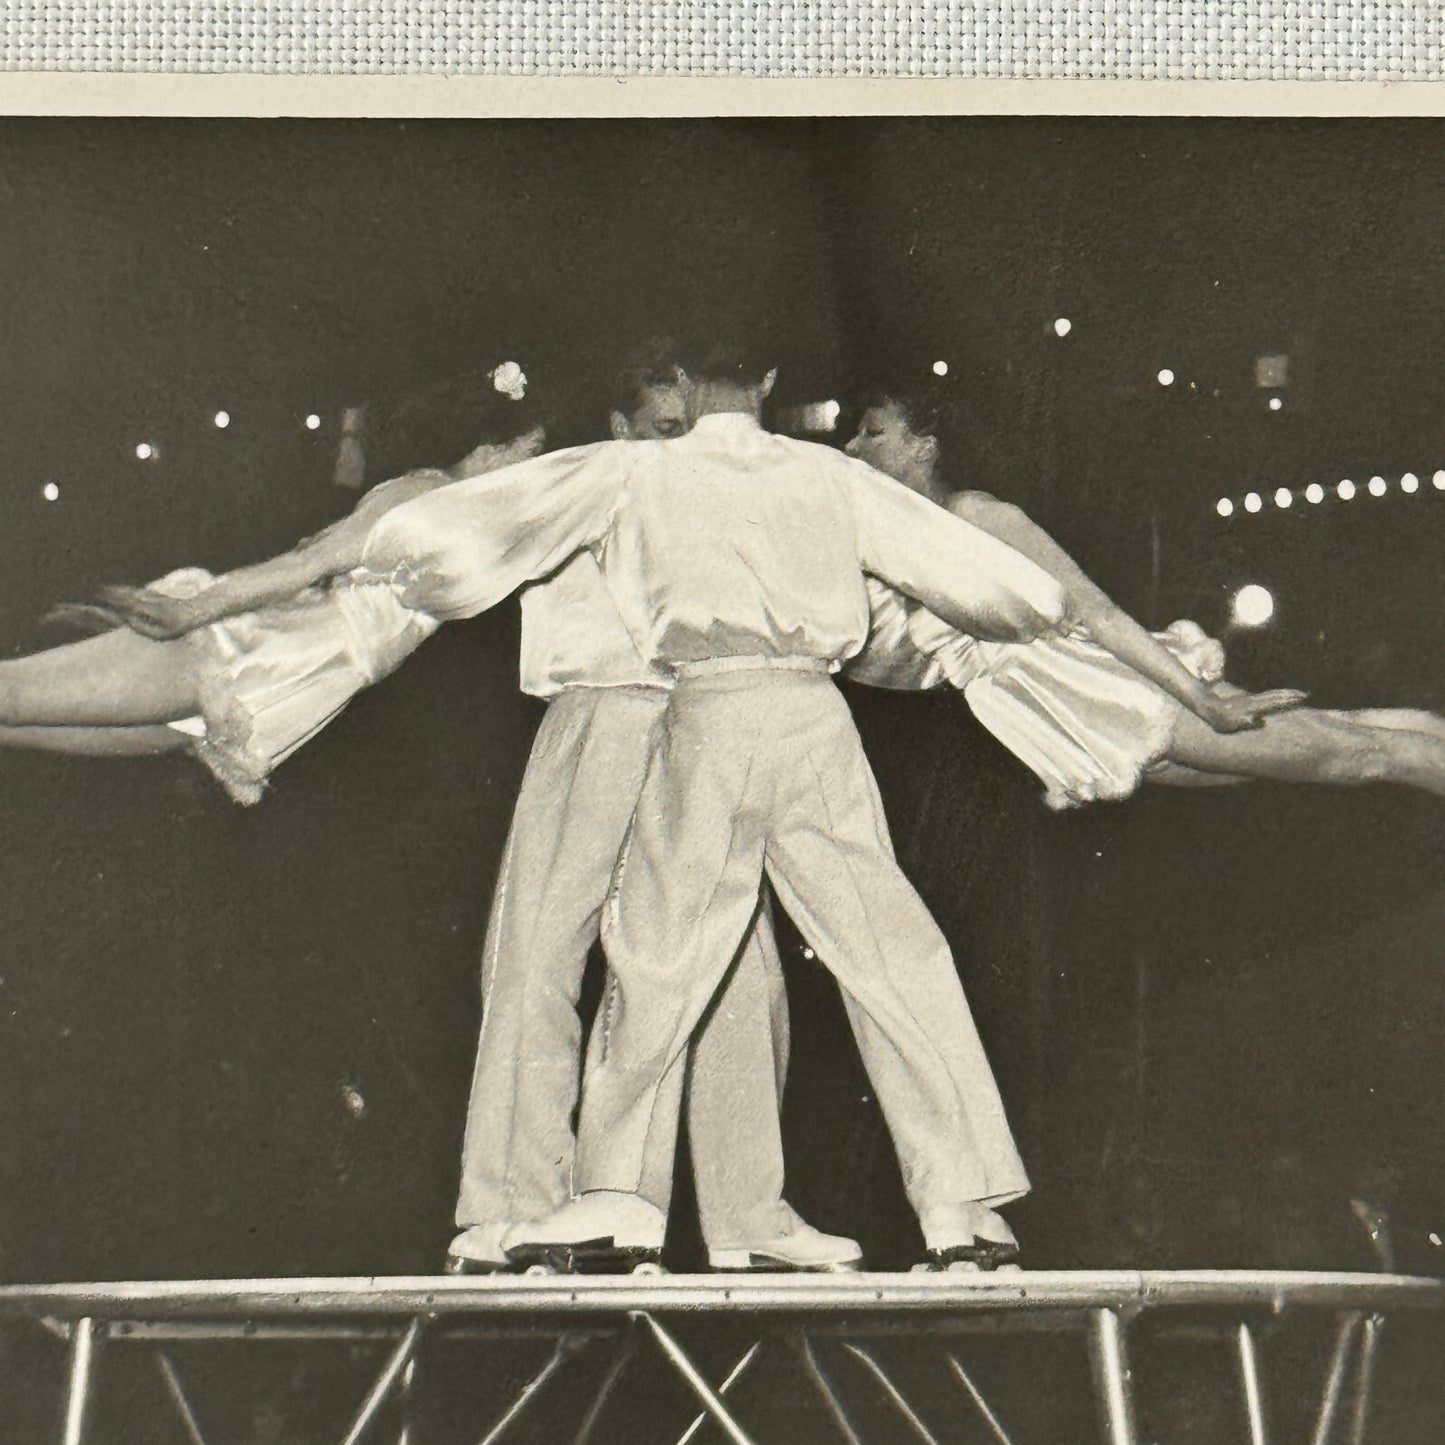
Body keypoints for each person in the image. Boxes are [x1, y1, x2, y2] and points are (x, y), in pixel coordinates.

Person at [362, 339, 1070, 1270]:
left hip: (703, 709)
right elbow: (1012, 591)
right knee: (887, 945)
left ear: (689, 383)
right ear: (771, 381)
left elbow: (443, 547)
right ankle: (963, 1203)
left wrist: (390, 559)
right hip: (795, 716)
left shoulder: (632, 472)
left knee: (664, 954)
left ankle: (633, 1199)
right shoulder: (824, 473)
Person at [446, 342, 859, 1275]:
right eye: (666, 431)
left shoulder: (714, 492)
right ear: (622, 429)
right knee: (539, 948)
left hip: (706, 717)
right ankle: (510, 1204)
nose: (684, 449)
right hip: (602, 707)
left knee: (732, 967)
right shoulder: (595, 481)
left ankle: (748, 1213)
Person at [845, 382, 1445, 807]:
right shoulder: (903, 547)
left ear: (925, 446)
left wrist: (1203, 703)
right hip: (1086, 722)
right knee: (1335, 740)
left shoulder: (981, 515)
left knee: (1354, 757)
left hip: (1123, 692)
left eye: (874, 433)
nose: (853, 448)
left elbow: (1098, 612)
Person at [0, 366, 546, 802]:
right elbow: (306, 563)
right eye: (531, 453)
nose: (536, 470)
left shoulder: (464, 516)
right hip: (254, 650)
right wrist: (195, 611)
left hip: (305, 672)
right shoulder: (419, 496)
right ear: (489, 449)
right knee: (10, 697)